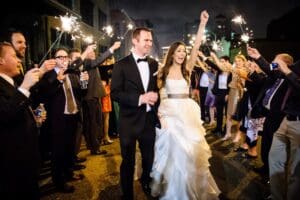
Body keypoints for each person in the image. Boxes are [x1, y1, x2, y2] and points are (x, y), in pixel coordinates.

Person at [150, 10, 220, 199]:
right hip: (170, 115)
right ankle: (175, 190)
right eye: (178, 51)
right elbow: (161, 96)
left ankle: (191, 188)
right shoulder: (162, 72)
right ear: (172, 54)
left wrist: (203, 24)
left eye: (184, 51)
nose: (182, 54)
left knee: (190, 151)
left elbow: (196, 45)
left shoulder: (188, 69)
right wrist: (161, 116)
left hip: (187, 114)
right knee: (175, 151)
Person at [0, 42, 54, 199]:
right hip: (13, 162)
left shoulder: (12, 82)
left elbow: (18, 110)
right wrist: (25, 87)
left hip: (27, 157)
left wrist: (34, 118)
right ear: (1, 60)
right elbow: (5, 114)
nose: (19, 60)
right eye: (14, 56)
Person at [111, 27, 159, 199]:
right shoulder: (121, 65)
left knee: (149, 157)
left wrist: (156, 102)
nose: (149, 43)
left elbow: (155, 90)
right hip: (129, 122)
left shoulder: (153, 63)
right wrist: (140, 98)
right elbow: (115, 94)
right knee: (128, 161)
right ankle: (127, 193)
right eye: (146, 40)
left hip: (148, 120)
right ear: (135, 41)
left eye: (151, 40)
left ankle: (146, 181)